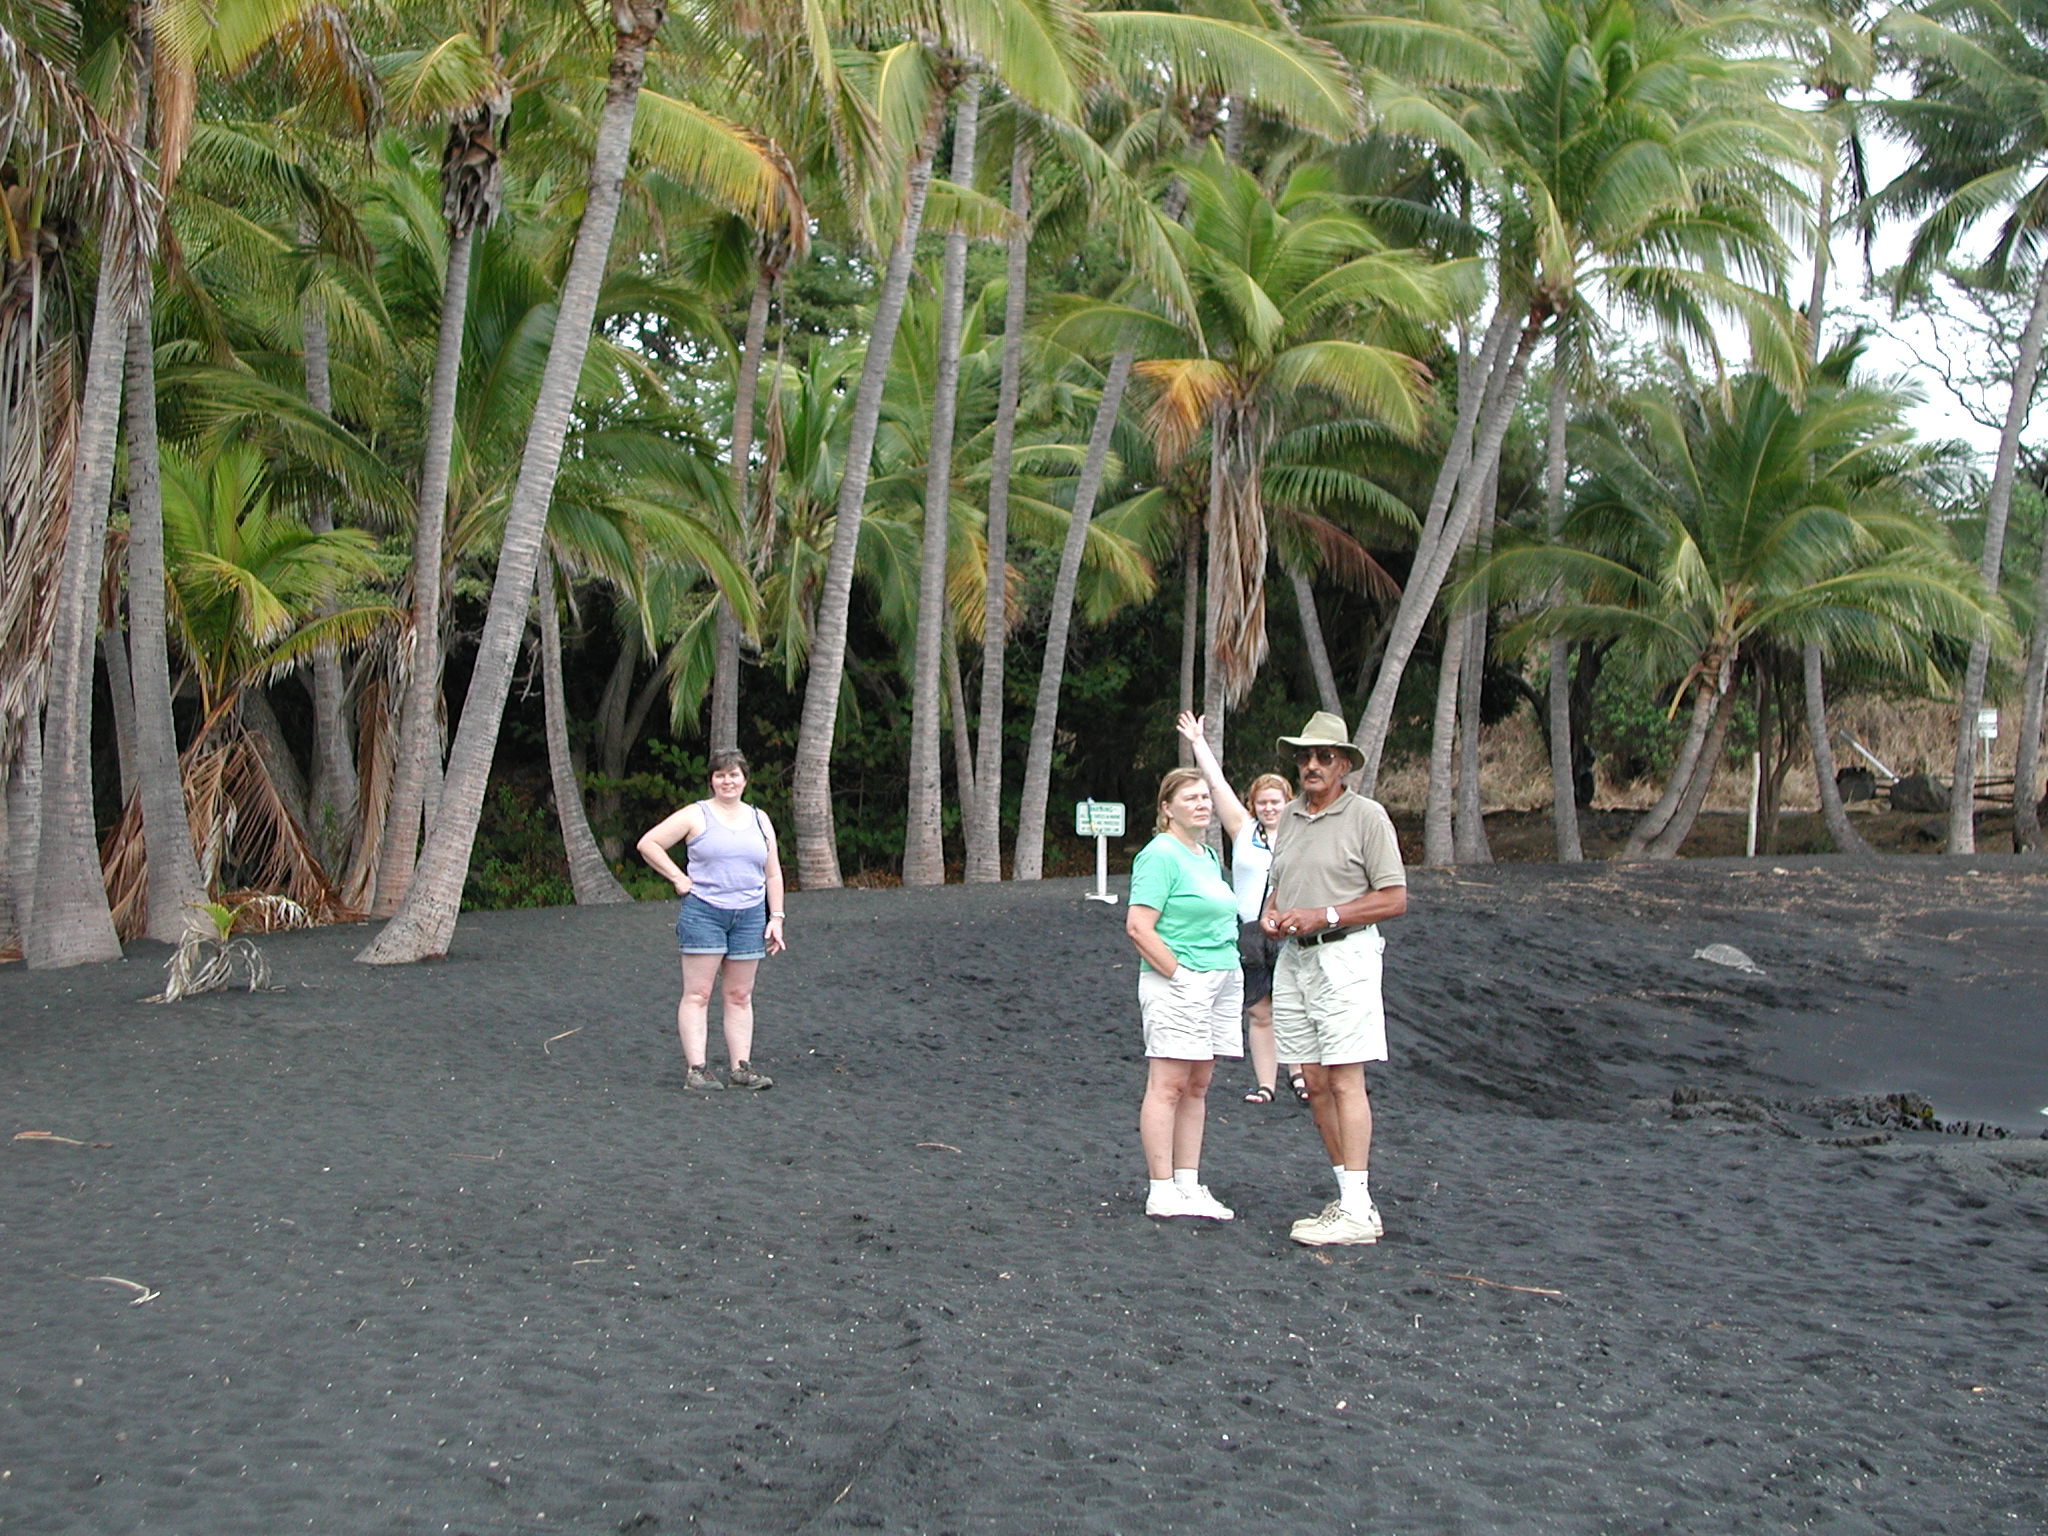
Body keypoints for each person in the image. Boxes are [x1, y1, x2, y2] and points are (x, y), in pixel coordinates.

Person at [1260, 711, 1407, 1246]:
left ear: (1344, 764)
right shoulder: (1293, 816)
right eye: (1304, 756)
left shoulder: (1368, 816)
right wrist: (1272, 914)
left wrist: (1325, 915)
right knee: (1313, 1080)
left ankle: (1356, 1207)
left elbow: (1394, 898)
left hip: (1345, 958)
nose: (1312, 765)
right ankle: (1352, 1203)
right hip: (1295, 959)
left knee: (1345, 1077)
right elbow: (1282, 884)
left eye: (1324, 757)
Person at [1124, 766, 1244, 1221]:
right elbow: (1139, 926)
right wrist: (1179, 975)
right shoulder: (1160, 855)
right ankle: (1161, 1189)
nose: (1202, 804)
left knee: (1197, 1085)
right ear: (1166, 808)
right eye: (1191, 797)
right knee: (1168, 1084)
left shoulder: (1208, 855)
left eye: (1205, 797)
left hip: (1218, 979)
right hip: (1179, 981)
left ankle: (1188, 1184)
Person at [636, 751, 786, 1091]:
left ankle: (741, 1068)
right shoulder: (696, 814)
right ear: (711, 780)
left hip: (749, 915)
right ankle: (697, 1069)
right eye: (720, 775)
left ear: (745, 779)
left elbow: (773, 872)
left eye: (734, 775)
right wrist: (678, 878)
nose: (727, 781)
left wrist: (775, 916)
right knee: (698, 993)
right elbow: (649, 844)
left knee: (739, 994)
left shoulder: (760, 819)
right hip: (705, 912)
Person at [1174, 711, 1296, 1105]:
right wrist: (1197, 742)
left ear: (1288, 802)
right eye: (1262, 802)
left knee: (1294, 1006)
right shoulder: (1243, 832)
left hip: (1292, 927)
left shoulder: (1303, 833)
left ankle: (1300, 1076)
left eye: (1276, 801)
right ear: (1253, 804)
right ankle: (1266, 1085)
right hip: (1249, 931)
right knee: (1260, 1011)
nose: (1269, 808)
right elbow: (1217, 784)